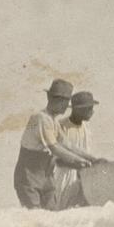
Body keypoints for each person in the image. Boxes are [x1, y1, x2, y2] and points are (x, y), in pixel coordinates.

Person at [13, 79, 92, 210]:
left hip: (46, 178)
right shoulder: (41, 118)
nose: (67, 106)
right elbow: (54, 147)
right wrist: (81, 161)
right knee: (35, 219)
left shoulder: (53, 121)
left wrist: (92, 158)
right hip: (29, 178)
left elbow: (68, 145)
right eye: (66, 102)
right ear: (58, 101)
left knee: (52, 218)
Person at [53, 91, 105, 210]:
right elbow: (57, 160)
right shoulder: (61, 127)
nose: (92, 112)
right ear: (79, 110)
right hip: (65, 178)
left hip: (84, 177)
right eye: (89, 109)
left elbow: (86, 152)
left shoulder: (86, 128)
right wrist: (78, 165)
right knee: (63, 212)